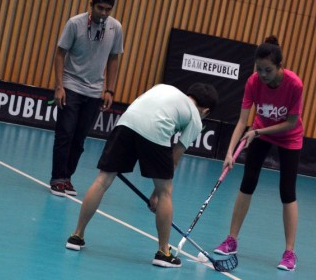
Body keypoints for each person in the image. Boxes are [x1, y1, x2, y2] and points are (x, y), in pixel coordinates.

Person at [65, 83, 219, 268]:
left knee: (102, 180)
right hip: (156, 129)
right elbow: (174, 159)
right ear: (206, 111)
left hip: (126, 123)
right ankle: (163, 252)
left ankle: (76, 236)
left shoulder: (164, 88)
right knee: (165, 193)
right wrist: (157, 193)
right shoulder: (196, 119)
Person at [214, 35, 303, 271]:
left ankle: (289, 253)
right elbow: (243, 120)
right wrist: (230, 152)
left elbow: (291, 123)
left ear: (279, 66)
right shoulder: (253, 82)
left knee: (287, 192)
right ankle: (231, 240)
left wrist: (259, 132)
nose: (262, 75)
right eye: (259, 69)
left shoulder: (294, 84)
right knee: (248, 182)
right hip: (259, 131)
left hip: (288, 137)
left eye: (268, 70)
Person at [50, 0, 124, 197]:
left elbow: (114, 58)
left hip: (94, 91)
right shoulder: (75, 23)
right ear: (91, 4)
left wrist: (109, 89)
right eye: (100, 8)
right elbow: (60, 53)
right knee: (65, 133)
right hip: (71, 86)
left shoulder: (115, 28)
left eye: (108, 9)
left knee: (79, 138)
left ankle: (67, 178)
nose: (103, 13)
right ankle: (57, 178)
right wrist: (59, 85)